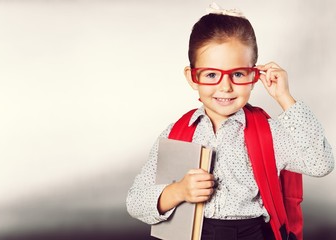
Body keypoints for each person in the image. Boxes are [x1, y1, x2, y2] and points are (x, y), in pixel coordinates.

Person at [126, 3, 334, 240]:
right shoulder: (177, 133)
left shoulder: (269, 132)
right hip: (195, 234)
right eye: (212, 75)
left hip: (252, 233)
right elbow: (135, 201)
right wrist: (178, 191)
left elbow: (321, 164)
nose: (225, 87)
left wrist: (285, 98)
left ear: (254, 75)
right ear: (192, 77)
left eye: (237, 74)